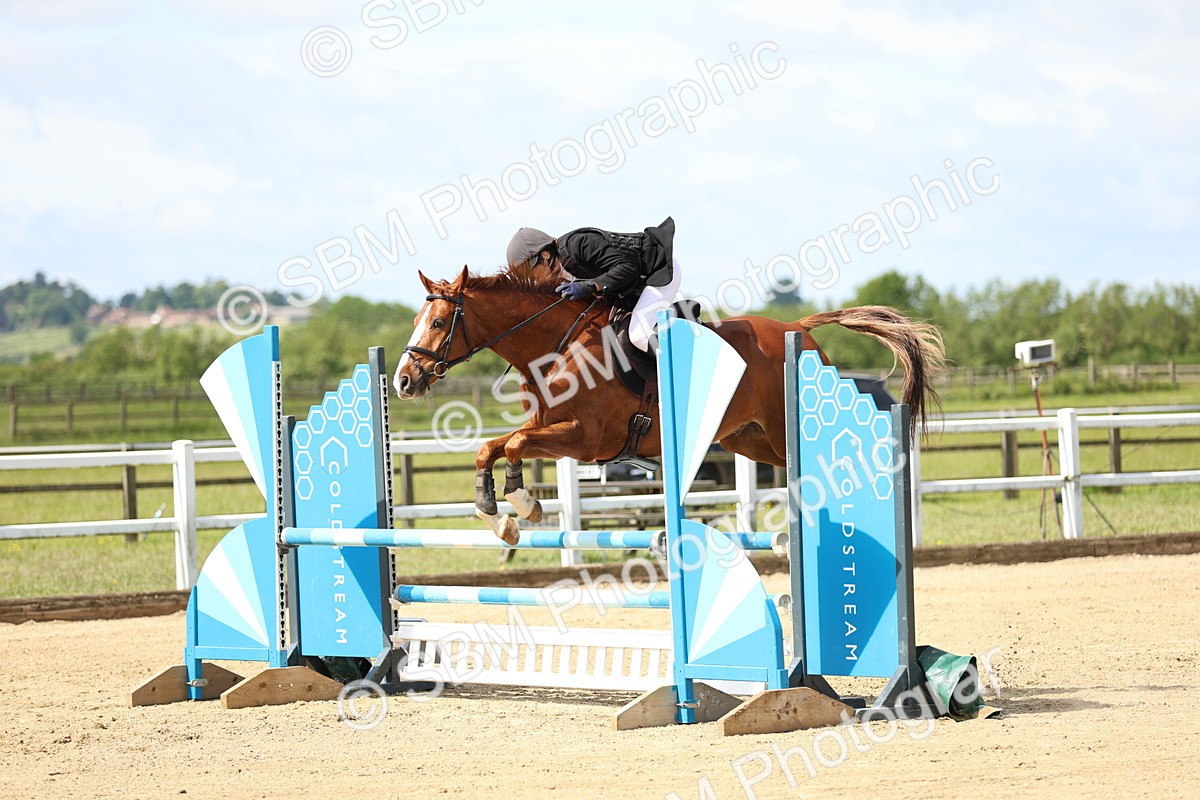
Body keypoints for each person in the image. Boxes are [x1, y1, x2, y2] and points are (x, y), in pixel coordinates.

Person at [505, 216, 678, 352]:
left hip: (658, 269)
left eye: (532, 271)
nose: (535, 279)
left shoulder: (578, 244)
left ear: (545, 255)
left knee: (639, 335)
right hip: (632, 287)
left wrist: (588, 286)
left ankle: (682, 372)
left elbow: (628, 269)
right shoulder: (561, 271)